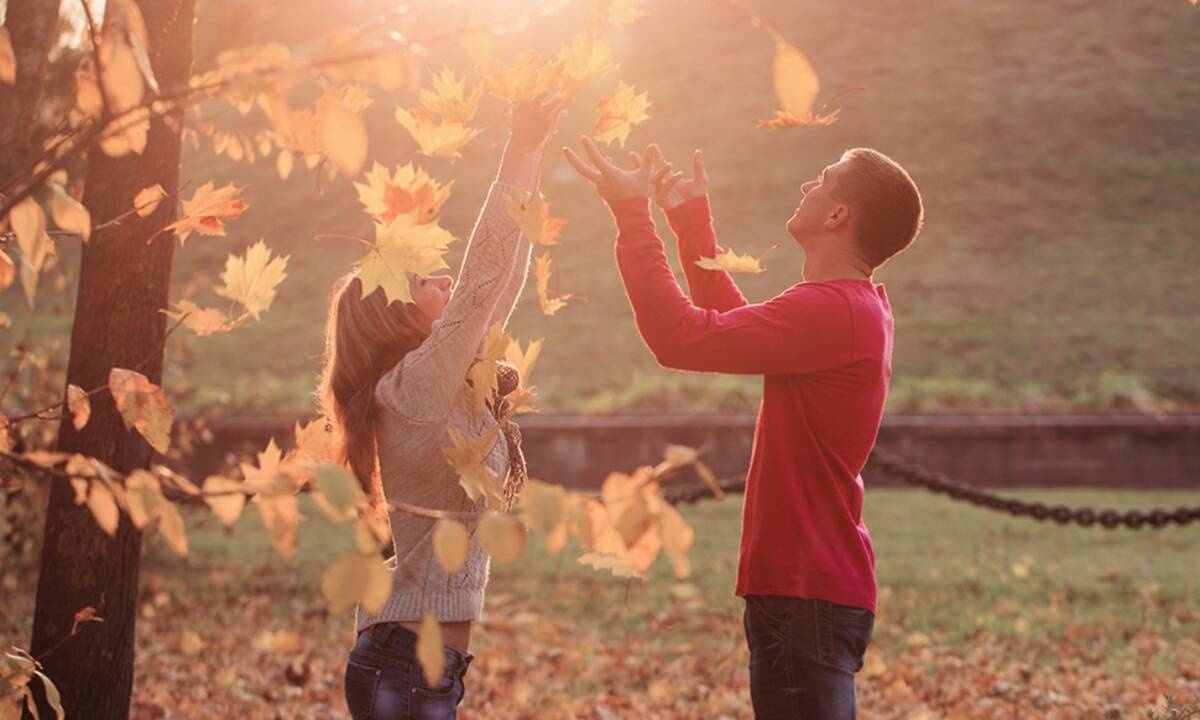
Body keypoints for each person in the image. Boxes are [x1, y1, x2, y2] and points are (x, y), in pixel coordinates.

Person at [563, 137, 923, 719]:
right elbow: (732, 323)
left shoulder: (834, 311)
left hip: (806, 590)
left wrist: (633, 217)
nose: (808, 184)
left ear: (837, 215)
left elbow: (678, 336)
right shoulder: (847, 308)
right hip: (813, 587)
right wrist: (688, 222)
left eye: (823, 178)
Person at [317, 94, 567, 720]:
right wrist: (515, 148)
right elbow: (482, 277)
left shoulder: (446, 381)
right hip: (401, 668)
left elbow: (500, 279)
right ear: (395, 313)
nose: (444, 283)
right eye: (426, 283)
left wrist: (532, 150)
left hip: (426, 671)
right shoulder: (411, 388)